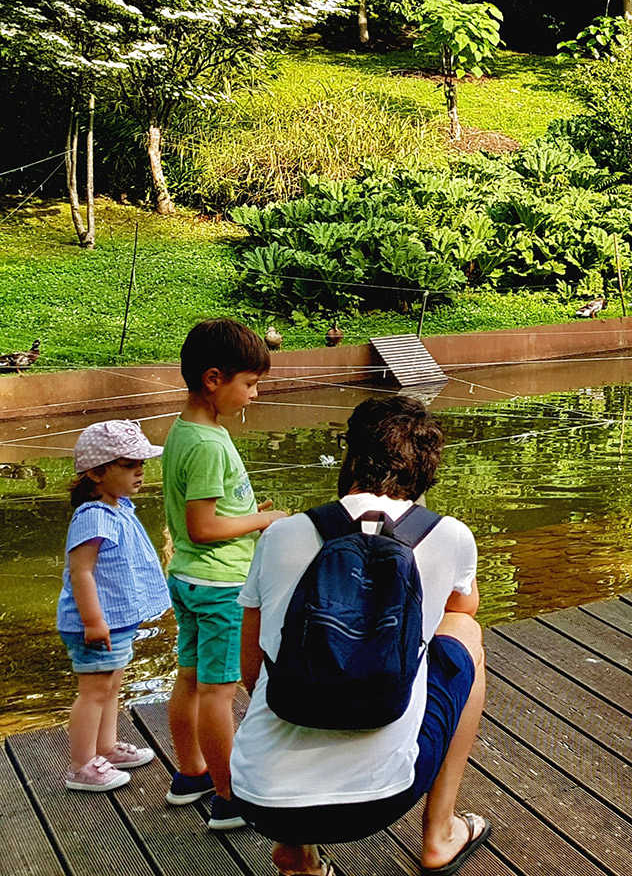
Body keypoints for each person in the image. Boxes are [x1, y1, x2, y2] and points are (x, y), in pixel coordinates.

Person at [231, 395, 489, 876]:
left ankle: (298, 852)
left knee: (282, 670)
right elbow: (462, 609)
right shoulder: (450, 535)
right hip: (380, 797)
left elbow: (251, 669)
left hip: (258, 796)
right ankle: (440, 833)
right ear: (428, 470)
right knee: (466, 635)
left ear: (350, 457)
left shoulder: (282, 535)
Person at [162, 318, 287, 828]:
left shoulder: (187, 429)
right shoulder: (211, 445)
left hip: (190, 577)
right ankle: (229, 796)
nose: (254, 395)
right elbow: (203, 525)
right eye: (250, 383)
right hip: (220, 584)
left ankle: (190, 772)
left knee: (190, 678)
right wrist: (265, 520)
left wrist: (246, 512)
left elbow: (204, 518)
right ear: (214, 379)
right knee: (220, 688)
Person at [59, 419, 172, 792]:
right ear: (96, 472)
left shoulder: (119, 506)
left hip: (116, 618)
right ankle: (81, 765)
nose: (140, 471)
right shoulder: (93, 516)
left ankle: (105, 747)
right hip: (96, 622)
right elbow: (82, 572)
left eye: (141, 463)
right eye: (128, 464)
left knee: (112, 683)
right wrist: (93, 621)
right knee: (94, 690)